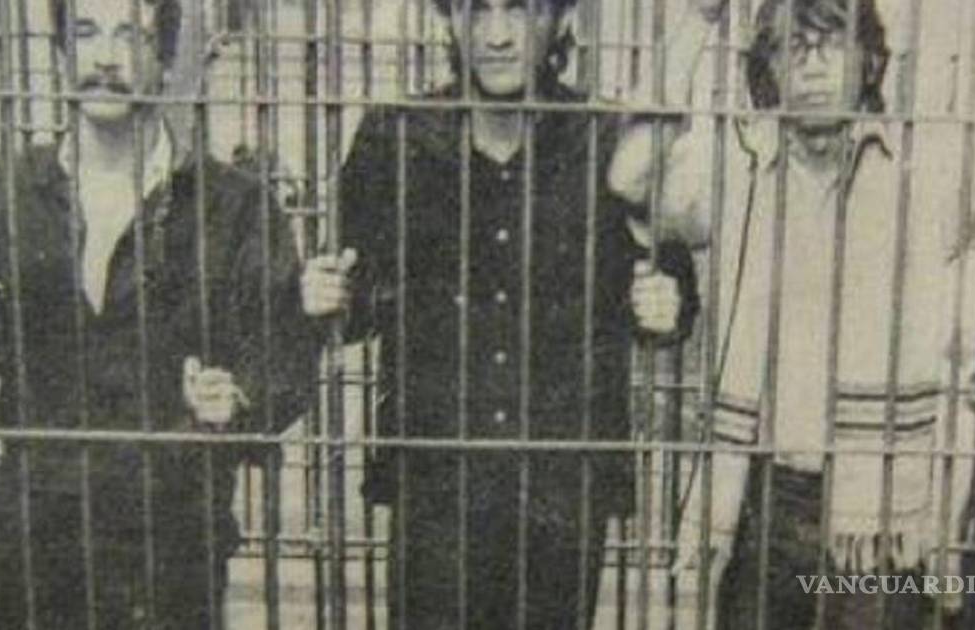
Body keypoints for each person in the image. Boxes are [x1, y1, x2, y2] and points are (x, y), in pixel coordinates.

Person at [0, 0, 315, 627]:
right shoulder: (1, 196)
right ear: (59, 53)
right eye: (85, 32)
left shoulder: (233, 207)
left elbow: (284, 354)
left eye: (130, 35)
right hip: (31, 544)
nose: (105, 58)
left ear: (164, 59)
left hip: (170, 545)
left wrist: (235, 401)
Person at [299, 0, 703, 627]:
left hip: (561, 487)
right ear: (449, 20)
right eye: (475, 9)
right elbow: (352, 295)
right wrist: (325, 295)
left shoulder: (606, 139)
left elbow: (671, 286)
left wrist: (663, 307)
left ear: (560, 20)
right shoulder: (395, 134)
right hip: (437, 483)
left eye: (519, 10)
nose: (495, 35)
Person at [611, 0, 975, 626]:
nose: (813, 65)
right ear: (768, 70)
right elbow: (630, 175)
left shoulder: (926, 169)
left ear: (870, 62)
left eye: (832, 43)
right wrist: (698, 20)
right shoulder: (735, 167)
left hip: (883, 502)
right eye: (792, 47)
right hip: (762, 497)